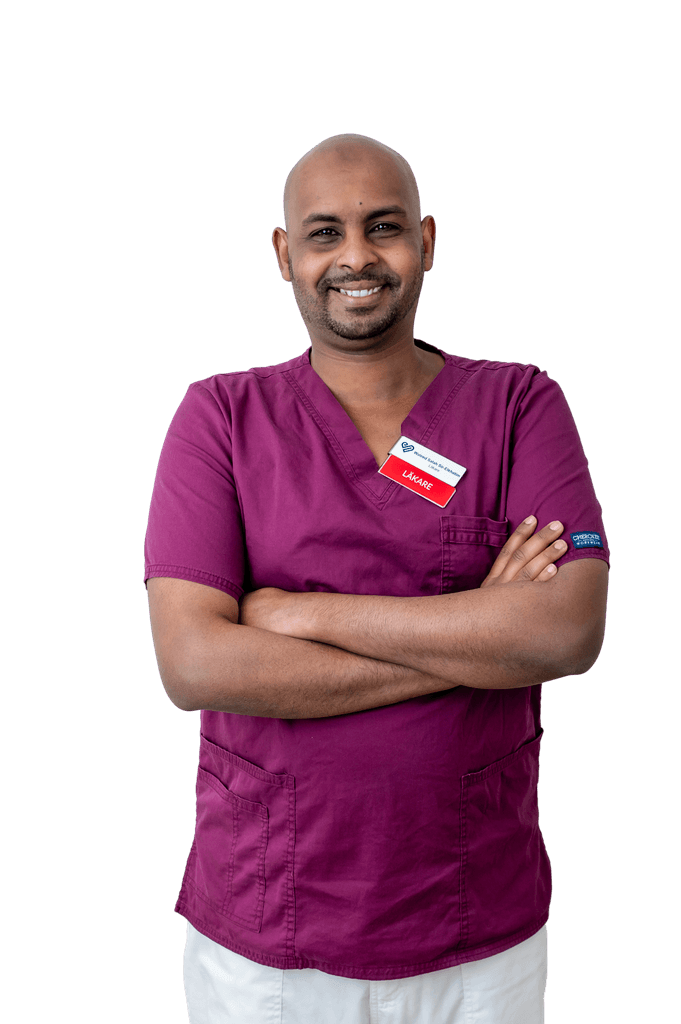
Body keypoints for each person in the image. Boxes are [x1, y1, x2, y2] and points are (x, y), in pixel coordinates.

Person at [144, 133, 609, 1023]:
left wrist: (296, 614)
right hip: (267, 933)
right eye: (324, 233)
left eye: (382, 226)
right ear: (285, 257)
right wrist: (480, 633)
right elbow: (194, 665)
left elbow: (565, 633)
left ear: (426, 241)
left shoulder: (518, 406)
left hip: (479, 925)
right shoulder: (219, 417)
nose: (355, 256)